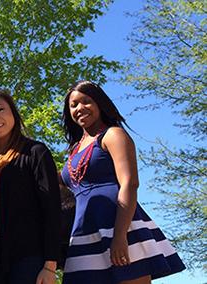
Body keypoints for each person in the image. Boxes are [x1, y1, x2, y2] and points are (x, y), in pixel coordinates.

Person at [60, 81, 186, 283]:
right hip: (84, 230)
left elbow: (129, 183)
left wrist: (120, 236)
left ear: (100, 103)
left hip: (119, 224)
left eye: (86, 101)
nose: (80, 108)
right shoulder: (74, 150)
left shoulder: (112, 135)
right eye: (73, 105)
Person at [0, 89, 61, 284]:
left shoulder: (35, 152)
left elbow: (52, 208)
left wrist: (50, 266)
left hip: (27, 255)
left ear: (13, 112)